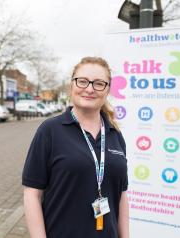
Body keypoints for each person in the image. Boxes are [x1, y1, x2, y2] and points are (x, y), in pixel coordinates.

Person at [22, 57, 129, 238]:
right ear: (72, 85)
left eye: (98, 84)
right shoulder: (50, 131)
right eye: (82, 81)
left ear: (108, 89)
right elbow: (32, 194)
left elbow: (122, 196)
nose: (89, 89)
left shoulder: (115, 134)